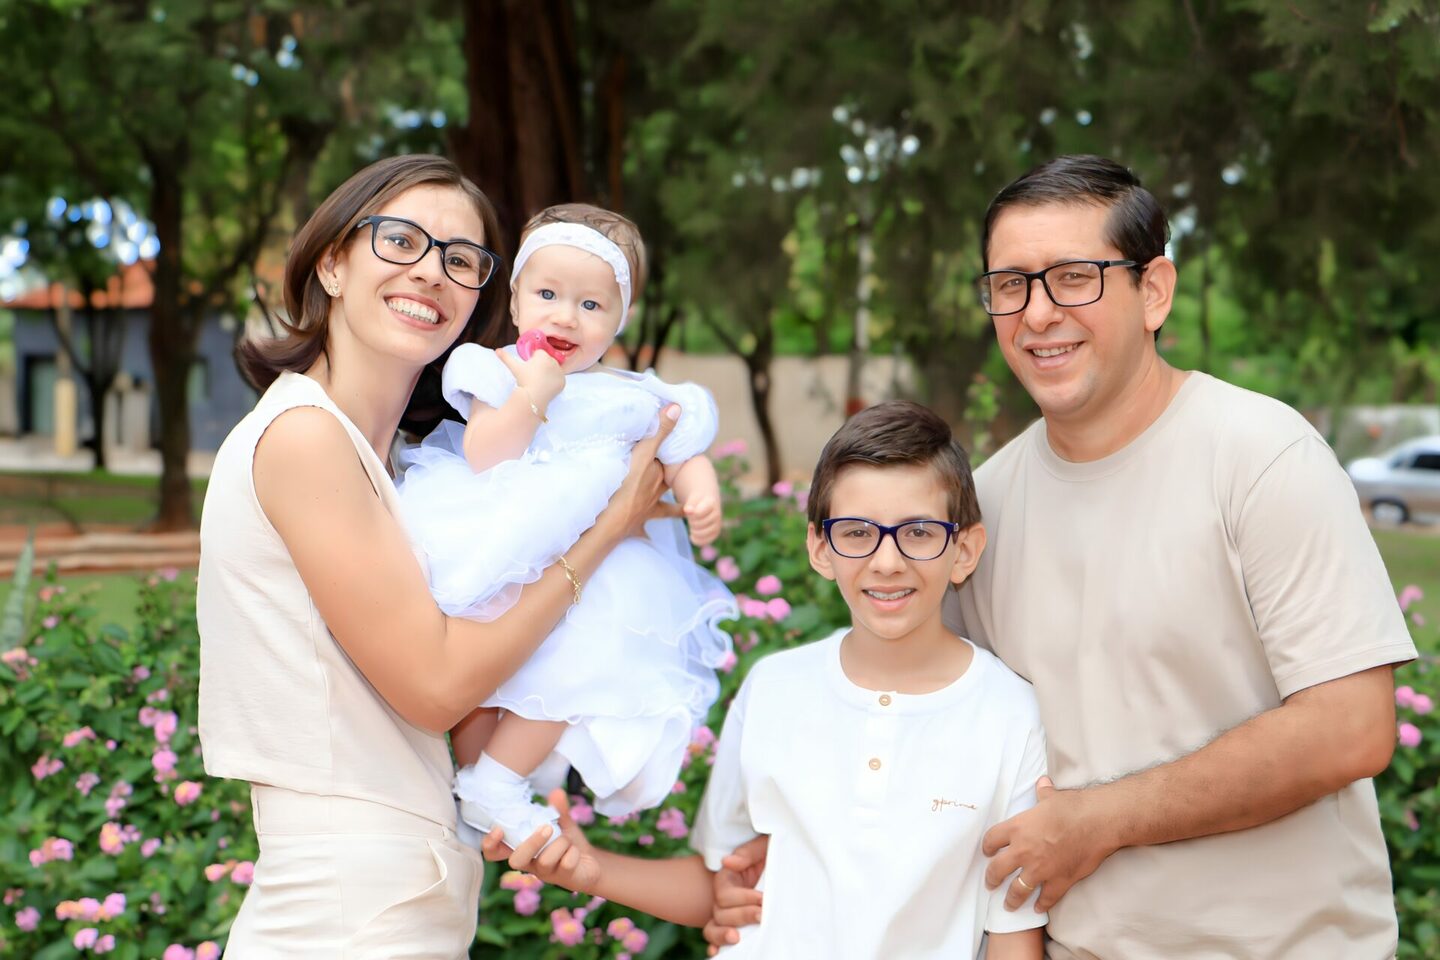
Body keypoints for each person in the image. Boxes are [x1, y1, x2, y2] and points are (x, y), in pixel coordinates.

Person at [706, 155, 1416, 959]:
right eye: (1010, 285)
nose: (1038, 313)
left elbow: (1350, 729)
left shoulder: (1260, 457)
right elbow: (935, 728)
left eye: (1074, 277)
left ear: (1154, 291)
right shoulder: (983, 511)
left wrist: (1099, 822)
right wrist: (789, 869)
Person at [197, 155, 678, 956]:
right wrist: (605, 532)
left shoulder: (395, 466)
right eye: (400, 240)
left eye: (461, 259)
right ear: (333, 262)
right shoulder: (307, 439)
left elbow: (453, 703)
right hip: (348, 912)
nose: (431, 272)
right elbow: (436, 685)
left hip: (398, 893)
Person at [489, 401, 1050, 960]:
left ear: (964, 550)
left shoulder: (1010, 714)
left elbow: (1012, 935)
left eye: (920, 532)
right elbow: (724, 886)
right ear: (819, 548)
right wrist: (591, 867)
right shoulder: (774, 687)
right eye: (856, 532)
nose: (886, 561)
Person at [394, 202, 736, 847]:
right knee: (481, 679)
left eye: (591, 305)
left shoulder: (632, 395)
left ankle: (498, 782)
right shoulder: (494, 369)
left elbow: (679, 450)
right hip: (498, 543)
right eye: (548, 294)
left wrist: (700, 493)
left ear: (618, 321)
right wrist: (536, 391)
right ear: (517, 300)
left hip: (595, 573)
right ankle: (478, 778)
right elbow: (488, 454)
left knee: (574, 665)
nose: (565, 316)